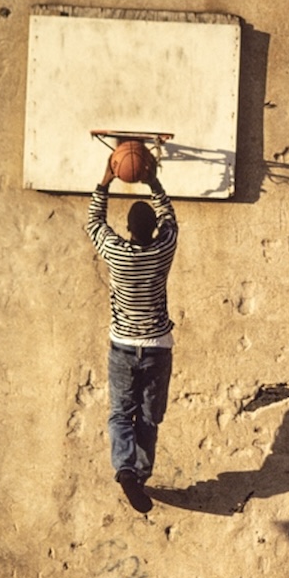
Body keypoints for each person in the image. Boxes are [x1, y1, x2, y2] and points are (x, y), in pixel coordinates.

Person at [86, 150, 178, 513]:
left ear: (127, 230)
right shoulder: (163, 250)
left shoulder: (115, 253)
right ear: (153, 229)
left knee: (121, 413)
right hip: (157, 347)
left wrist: (106, 179)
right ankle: (139, 473)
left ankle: (125, 468)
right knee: (150, 416)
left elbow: (94, 223)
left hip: (123, 346)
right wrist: (153, 179)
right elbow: (171, 220)